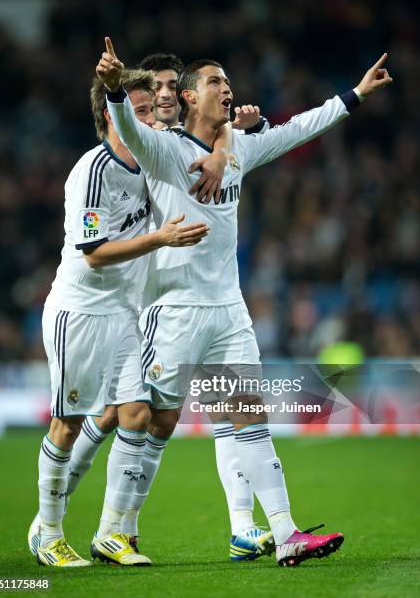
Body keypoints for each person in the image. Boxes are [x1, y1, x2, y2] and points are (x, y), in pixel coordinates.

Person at [97, 36, 392, 567]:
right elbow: (131, 134)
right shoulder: (167, 152)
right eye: (215, 81)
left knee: (249, 420)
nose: (227, 88)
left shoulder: (238, 150)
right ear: (188, 97)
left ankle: (286, 533)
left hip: (229, 311)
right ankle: (115, 527)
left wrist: (355, 95)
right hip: (176, 311)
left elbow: (300, 128)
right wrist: (116, 89)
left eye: (228, 80)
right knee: (147, 420)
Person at [63, 52, 274, 562]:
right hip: (121, 302)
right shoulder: (125, 156)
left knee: (151, 414)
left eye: (165, 88)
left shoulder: (175, 146)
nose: (160, 97)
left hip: (164, 300)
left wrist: (229, 144)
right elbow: (93, 252)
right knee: (113, 415)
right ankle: (58, 510)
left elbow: (214, 132)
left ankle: (225, 527)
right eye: (152, 90)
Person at [29, 68, 210, 567]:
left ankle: (112, 533)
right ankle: (47, 532)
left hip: (125, 314)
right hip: (81, 312)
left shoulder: (149, 168)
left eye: (151, 110)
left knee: (136, 414)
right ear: (113, 115)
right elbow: (93, 252)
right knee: (67, 424)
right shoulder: (93, 170)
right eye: (140, 110)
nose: (151, 118)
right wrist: (159, 239)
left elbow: (201, 144)